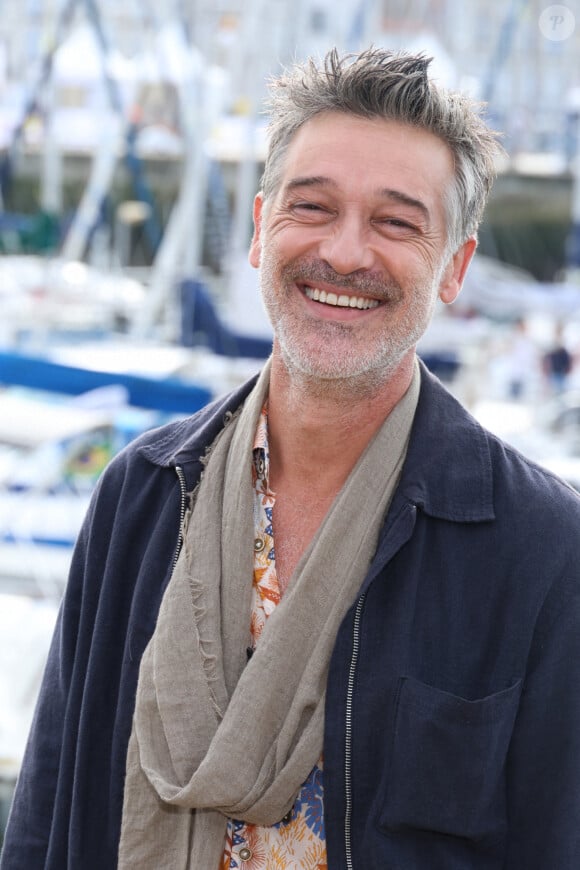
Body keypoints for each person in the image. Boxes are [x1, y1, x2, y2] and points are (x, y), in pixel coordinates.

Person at [2, 47, 580, 870]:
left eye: (395, 222)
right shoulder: (142, 493)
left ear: (454, 267)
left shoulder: (542, 549)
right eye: (313, 207)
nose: (345, 254)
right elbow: (48, 814)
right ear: (261, 229)